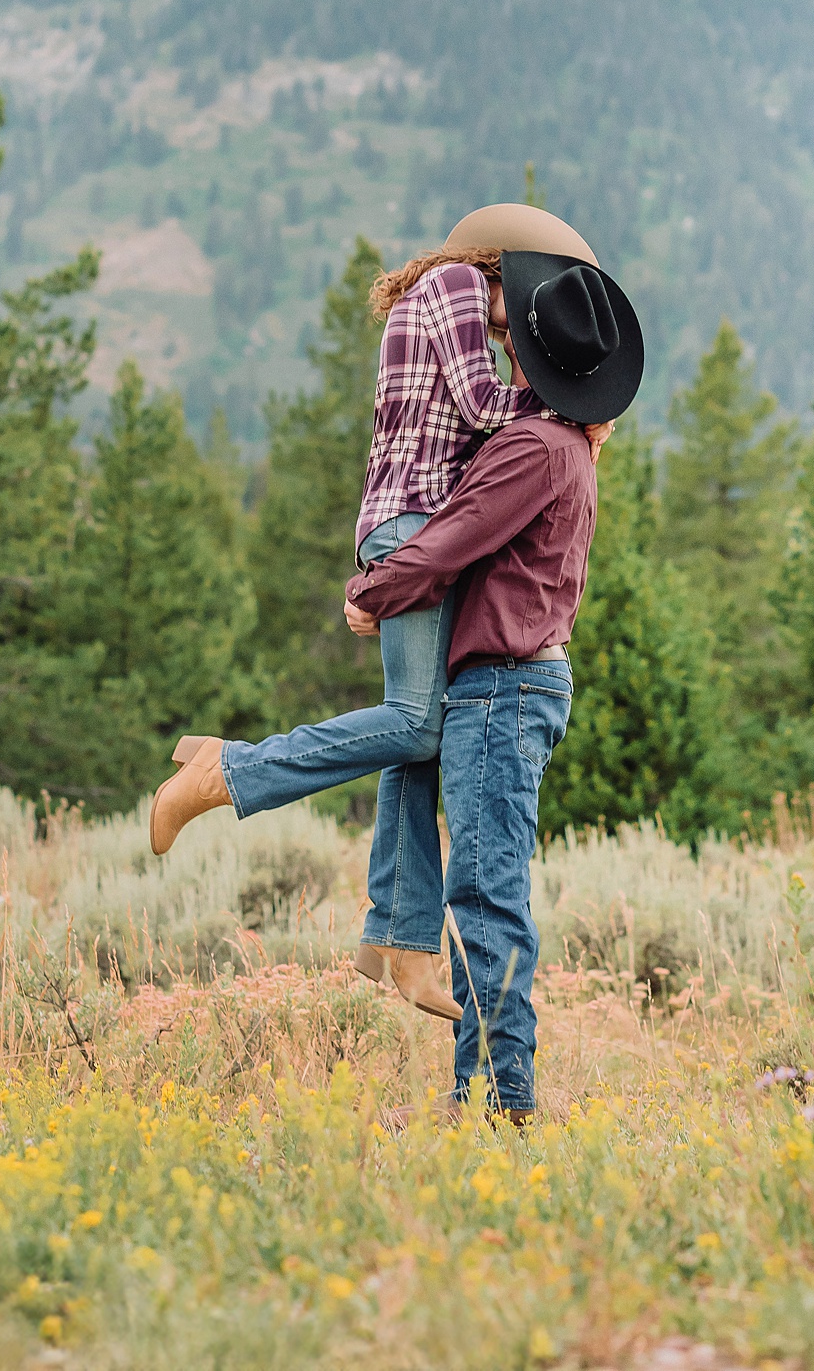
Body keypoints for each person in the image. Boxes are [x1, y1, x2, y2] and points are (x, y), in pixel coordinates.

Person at [147, 205, 628, 1014]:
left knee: (422, 725)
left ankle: (400, 940)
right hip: (411, 524)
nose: (527, 341)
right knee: (417, 722)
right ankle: (228, 773)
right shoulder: (453, 285)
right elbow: (481, 410)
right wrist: (567, 413)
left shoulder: (456, 297)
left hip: (415, 523)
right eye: (532, 315)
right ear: (510, 270)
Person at [343, 240, 644, 1117]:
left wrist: (373, 590)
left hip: (504, 690)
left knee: (486, 895)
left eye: (517, 348)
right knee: (487, 890)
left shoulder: (531, 449)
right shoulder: (566, 447)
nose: (506, 350)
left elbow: (450, 537)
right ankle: (479, 1092)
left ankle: (498, 1097)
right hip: (517, 686)